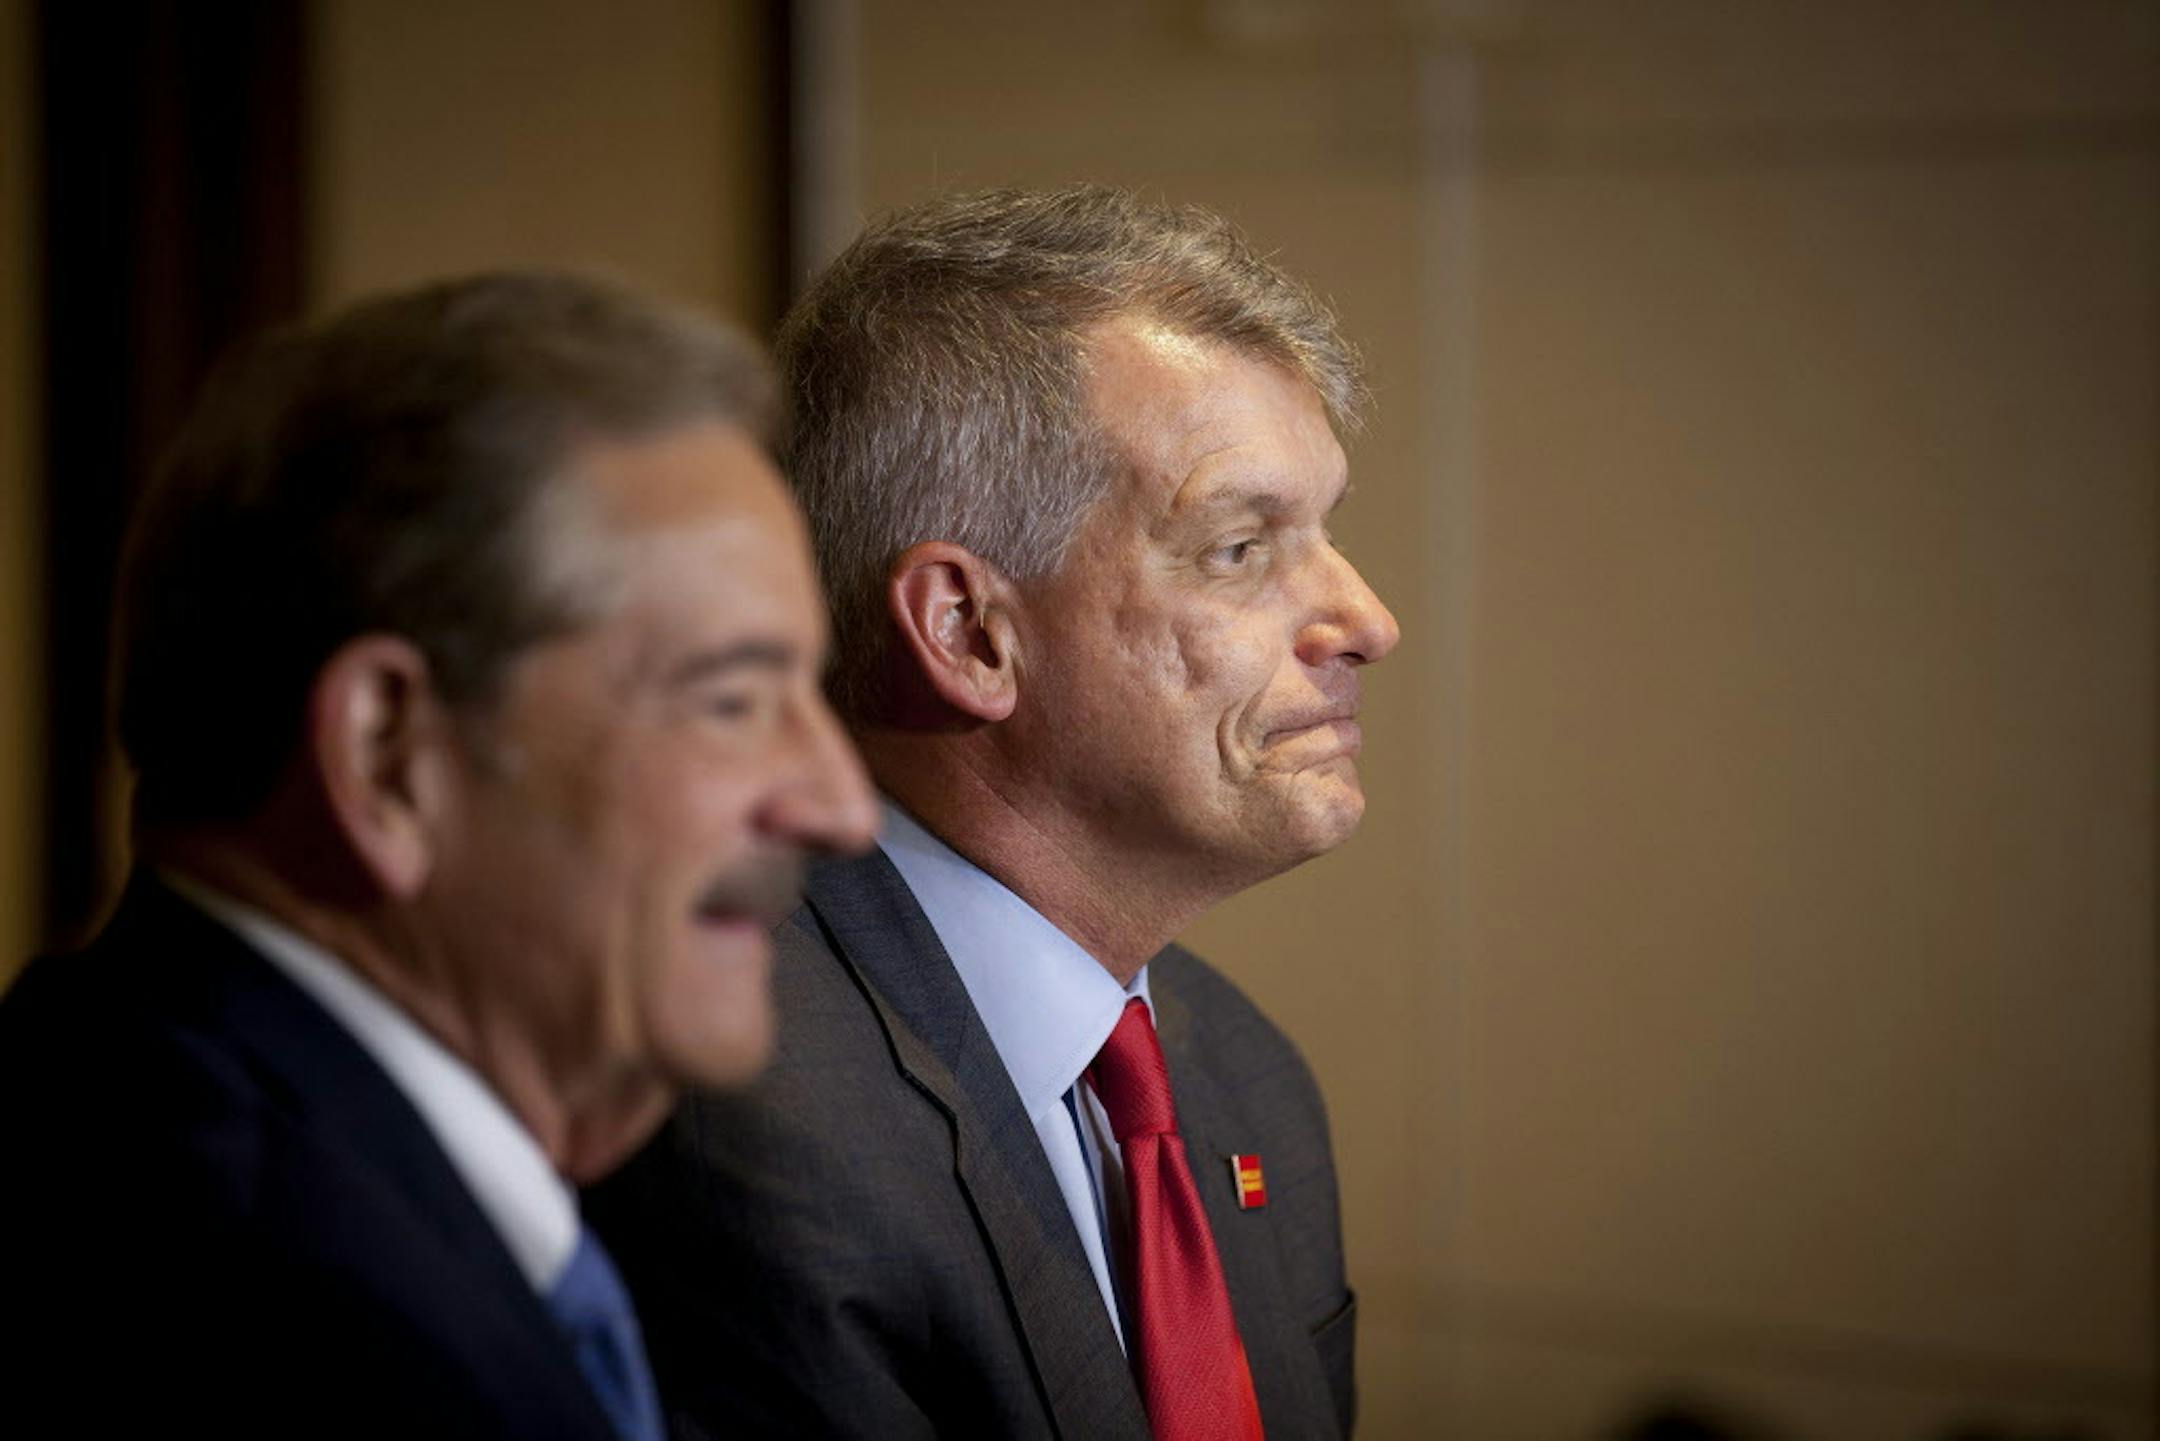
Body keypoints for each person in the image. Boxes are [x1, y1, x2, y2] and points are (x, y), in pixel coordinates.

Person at [0, 272, 877, 1438]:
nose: (839, 806)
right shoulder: (250, 1305)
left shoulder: (242, 1145)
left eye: (810, 698)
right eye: (731, 700)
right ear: (387, 754)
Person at [588, 186, 1399, 1439]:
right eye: (1243, 547)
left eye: (1327, 532)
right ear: (970, 633)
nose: (1364, 621)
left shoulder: (1249, 1084)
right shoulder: (738, 1124)